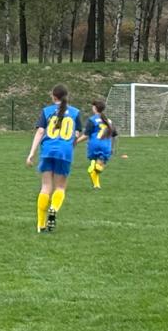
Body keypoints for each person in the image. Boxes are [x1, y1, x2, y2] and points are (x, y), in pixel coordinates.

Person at [27, 84, 83, 233]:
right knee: (60, 187)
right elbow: (77, 134)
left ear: (53, 96)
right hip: (64, 152)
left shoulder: (47, 111)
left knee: (46, 187)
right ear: (66, 96)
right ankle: (53, 208)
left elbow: (40, 132)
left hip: (47, 150)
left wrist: (32, 153)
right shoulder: (75, 112)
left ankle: (41, 225)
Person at [85, 98, 116, 190]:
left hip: (93, 145)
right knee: (99, 167)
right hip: (105, 146)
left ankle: (96, 183)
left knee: (95, 166)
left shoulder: (92, 120)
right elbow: (114, 135)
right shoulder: (109, 121)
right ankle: (96, 175)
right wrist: (112, 147)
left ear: (95, 108)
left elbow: (86, 135)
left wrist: (76, 141)